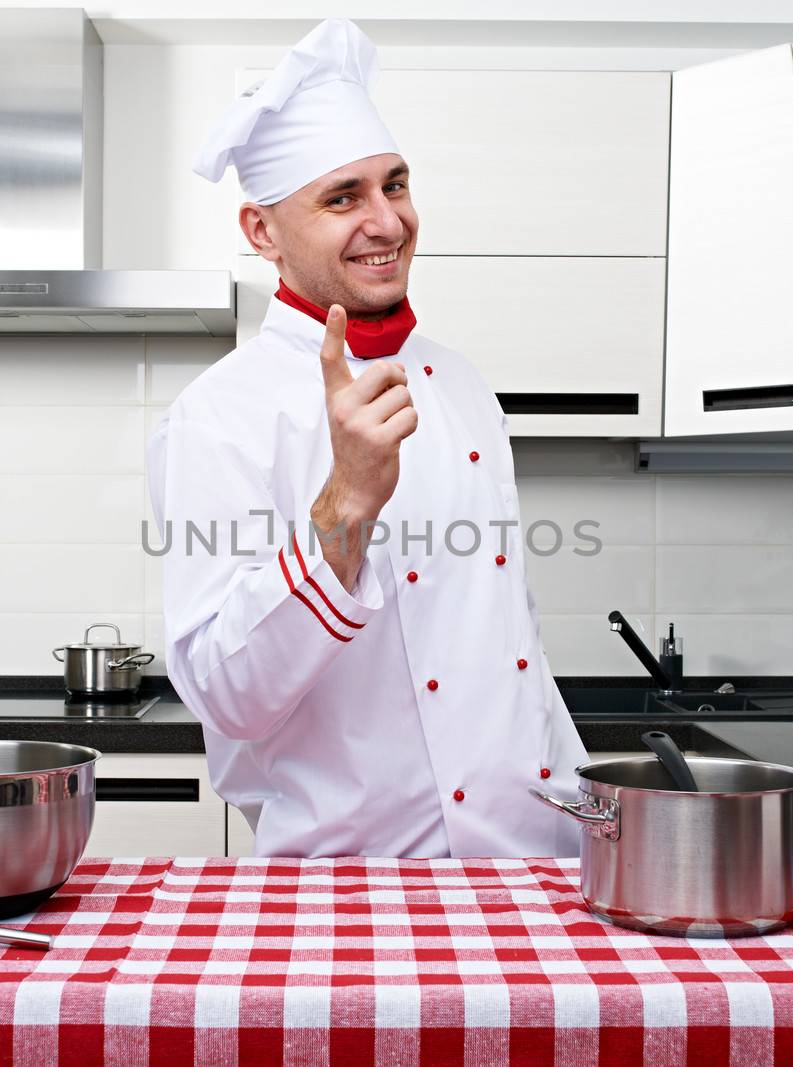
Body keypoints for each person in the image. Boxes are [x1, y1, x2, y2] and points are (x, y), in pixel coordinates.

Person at [146, 18, 587, 858]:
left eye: (396, 185)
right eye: (342, 197)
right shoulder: (221, 416)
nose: (387, 222)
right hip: (349, 881)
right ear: (261, 232)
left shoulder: (463, 385)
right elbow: (226, 696)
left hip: (534, 855)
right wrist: (345, 503)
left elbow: (507, 631)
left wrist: (575, 790)